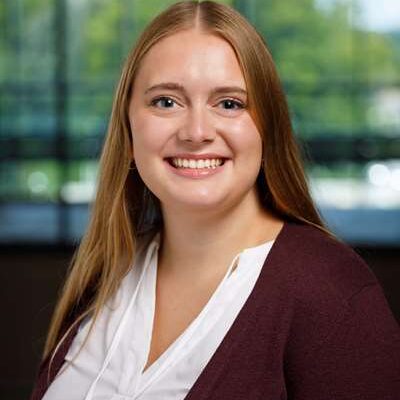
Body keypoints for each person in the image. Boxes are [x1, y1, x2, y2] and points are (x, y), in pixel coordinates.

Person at [31, 1, 400, 399]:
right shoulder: (108, 274)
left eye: (229, 103)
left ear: (268, 126)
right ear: (127, 124)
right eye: (166, 101)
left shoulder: (330, 293)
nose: (196, 131)